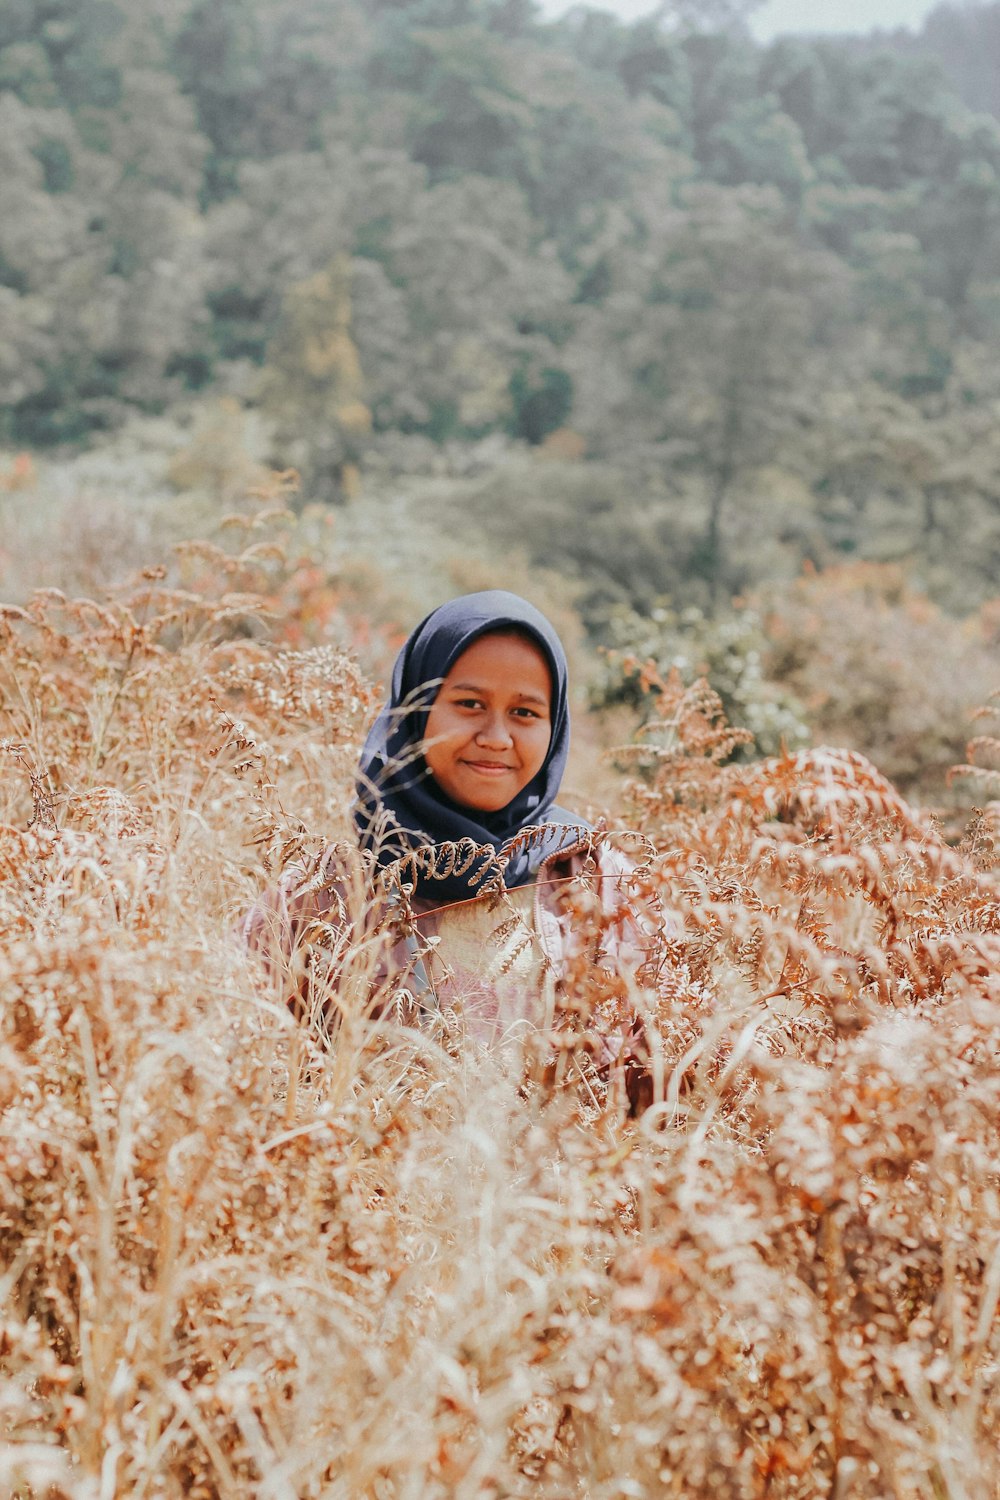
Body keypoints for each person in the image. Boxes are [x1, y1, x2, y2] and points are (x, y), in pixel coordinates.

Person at [243, 590, 658, 1065]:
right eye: (469, 703)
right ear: (417, 714)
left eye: (524, 713)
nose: (497, 738)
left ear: (553, 725)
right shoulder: (325, 895)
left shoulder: (598, 884)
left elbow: (660, 1084)